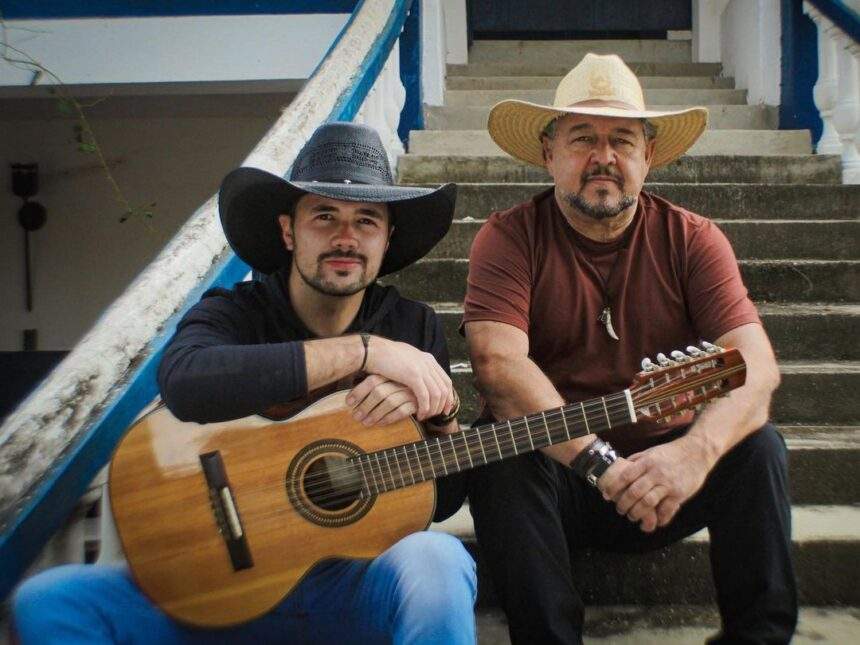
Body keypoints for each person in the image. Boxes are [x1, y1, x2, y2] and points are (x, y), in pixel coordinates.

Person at [12, 122, 476, 644]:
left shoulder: (413, 327)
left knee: (439, 558)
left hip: (347, 591)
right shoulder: (236, 311)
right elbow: (186, 381)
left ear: (386, 238)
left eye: (366, 220)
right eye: (324, 216)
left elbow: (440, 502)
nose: (345, 237)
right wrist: (365, 349)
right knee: (50, 601)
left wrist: (443, 419)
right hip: (217, 594)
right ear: (288, 231)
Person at [463, 54, 796, 644]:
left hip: (666, 478)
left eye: (622, 139)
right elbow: (498, 364)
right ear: (548, 152)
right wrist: (598, 463)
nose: (603, 158)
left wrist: (693, 455)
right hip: (558, 484)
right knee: (500, 456)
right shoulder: (510, 236)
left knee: (760, 447)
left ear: (649, 155)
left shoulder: (694, 240)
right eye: (582, 138)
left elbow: (757, 366)